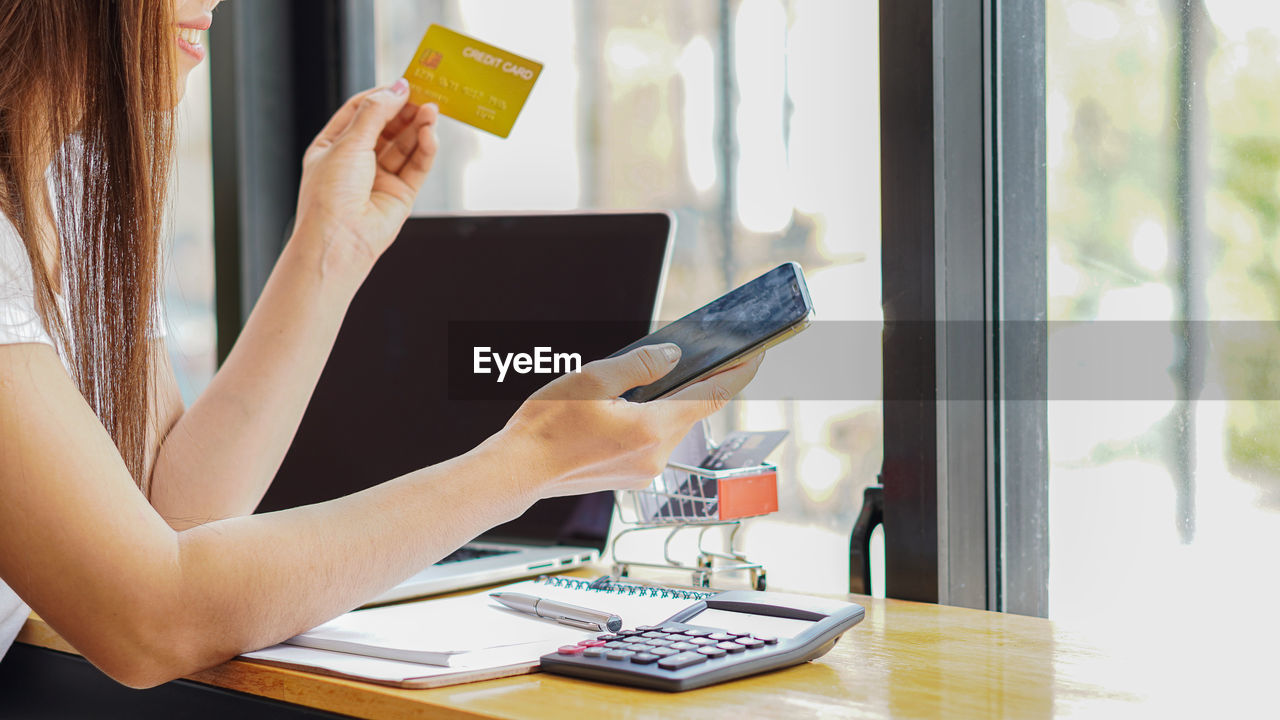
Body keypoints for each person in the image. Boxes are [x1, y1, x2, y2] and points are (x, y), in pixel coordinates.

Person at [0, 0, 761, 689]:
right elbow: (151, 620)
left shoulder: (74, 178)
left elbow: (172, 512)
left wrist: (330, 251)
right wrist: (530, 459)